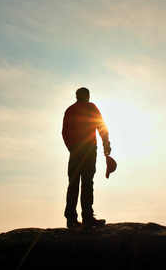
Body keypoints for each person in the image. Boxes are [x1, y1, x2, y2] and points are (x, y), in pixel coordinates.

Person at [62, 87, 111, 228]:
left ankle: (71, 219)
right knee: (87, 182)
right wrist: (106, 145)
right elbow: (101, 126)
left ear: (76, 96)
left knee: (73, 184)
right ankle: (87, 217)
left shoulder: (69, 110)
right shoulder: (91, 107)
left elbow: (64, 132)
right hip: (88, 149)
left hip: (76, 150)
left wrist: (71, 148)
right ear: (87, 96)